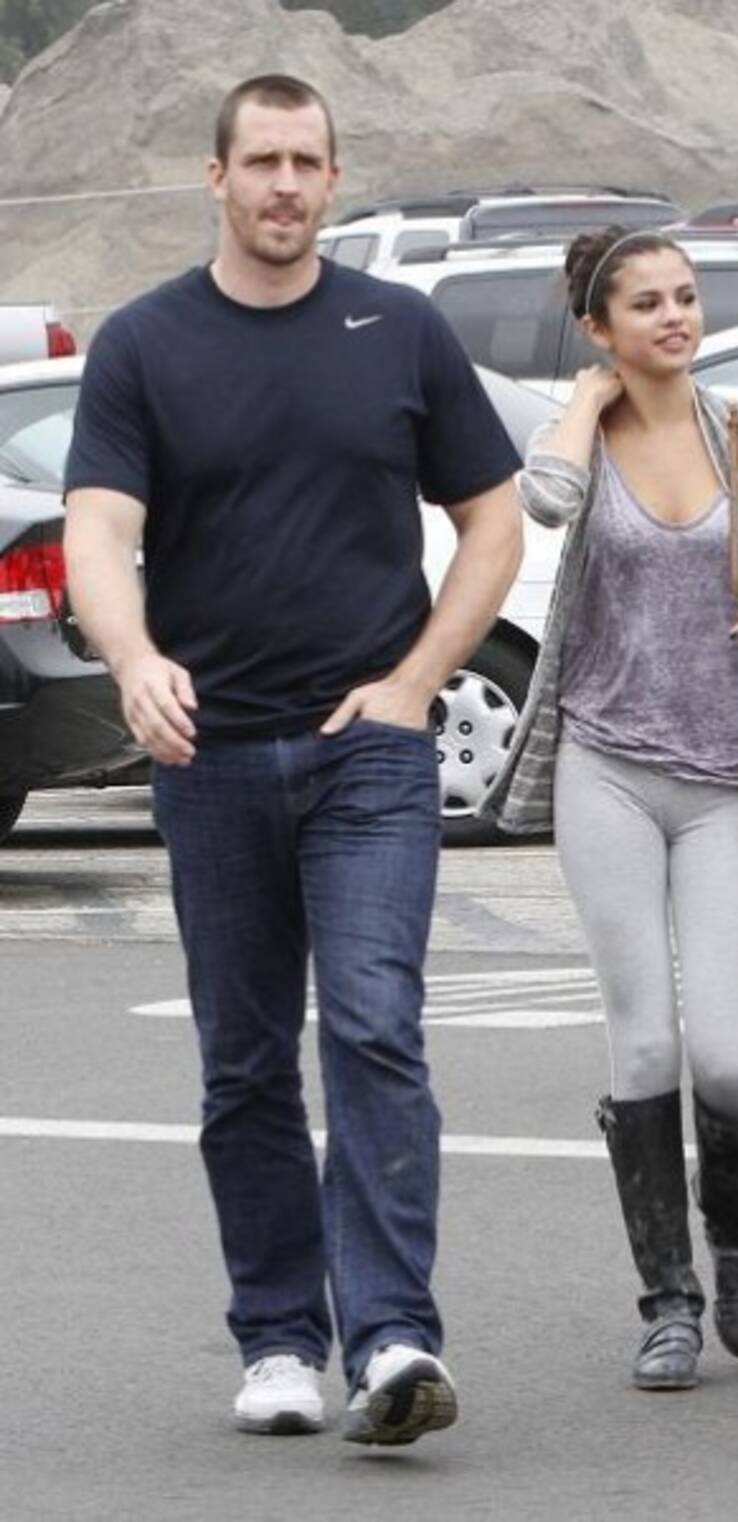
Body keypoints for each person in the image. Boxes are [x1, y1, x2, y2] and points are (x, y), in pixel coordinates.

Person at [62, 74, 523, 1443]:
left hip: (365, 751)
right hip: (210, 755)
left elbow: (494, 521)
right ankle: (278, 1340)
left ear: (333, 178)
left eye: (305, 162)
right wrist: (134, 658)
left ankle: (391, 1339)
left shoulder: (401, 329)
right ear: (216, 177)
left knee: (374, 1023)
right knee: (247, 1060)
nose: (282, 184)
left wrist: (416, 684)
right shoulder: (144, 343)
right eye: (259, 160)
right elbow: (98, 531)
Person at [483, 226, 738, 1391]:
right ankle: (669, 1302)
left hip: (730, 775)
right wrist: (585, 405)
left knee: (727, 1061)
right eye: (646, 303)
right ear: (600, 327)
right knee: (642, 1040)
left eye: (685, 296)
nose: (677, 316)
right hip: (608, 767)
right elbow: (544, 502)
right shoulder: (580, 436)